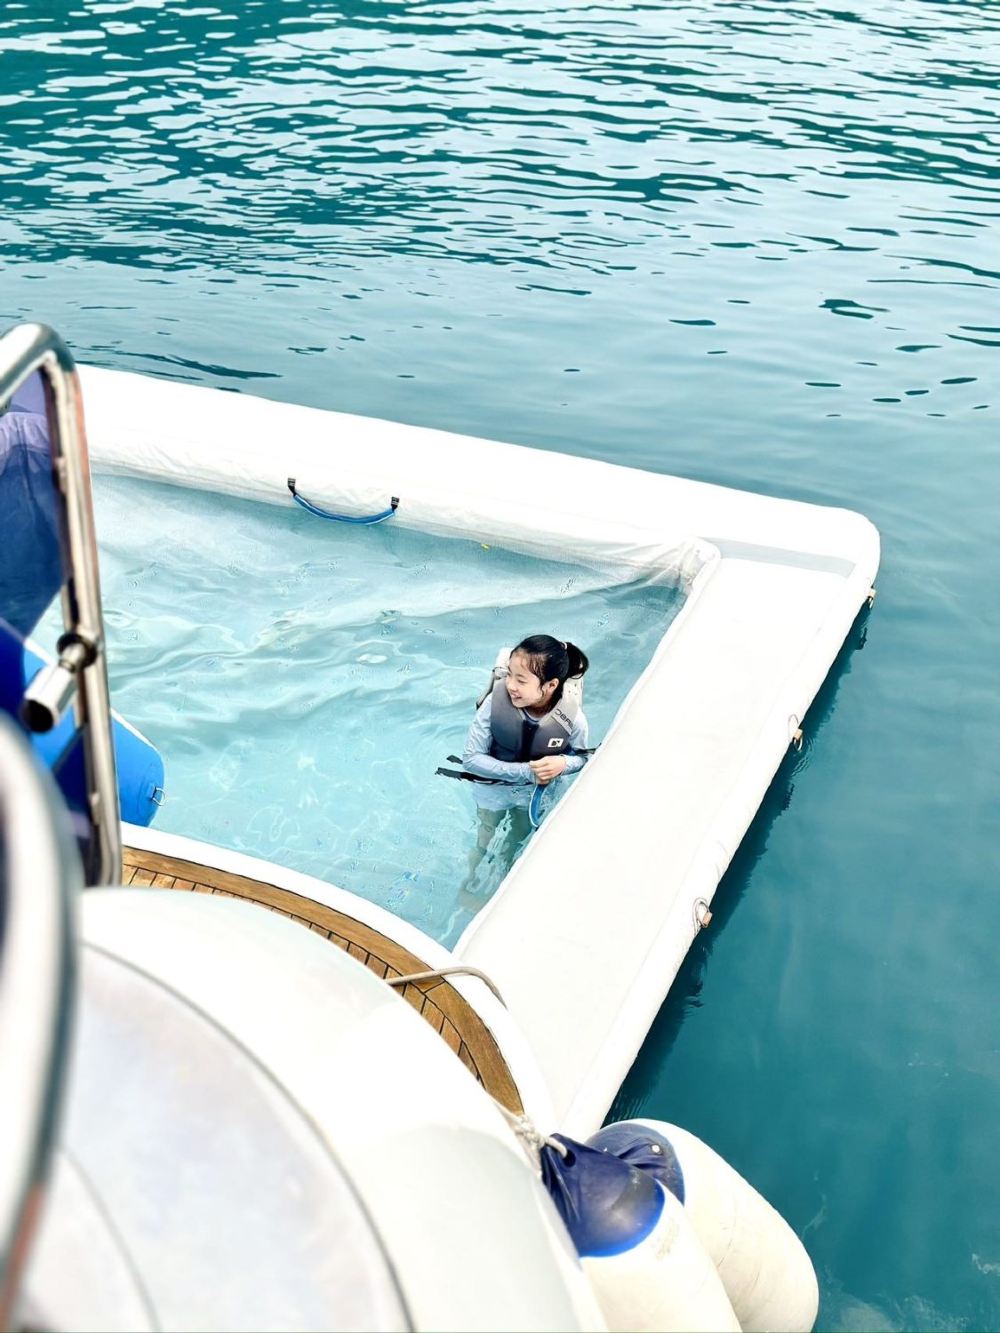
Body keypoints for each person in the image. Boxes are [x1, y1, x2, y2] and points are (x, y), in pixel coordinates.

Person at [457, 634, 591, 902]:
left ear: (550, 685)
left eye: (521, 680)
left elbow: (582, 758)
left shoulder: (573, 719)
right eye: (509, 675)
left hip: (532, 797)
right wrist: (528, 772)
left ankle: (498, 896)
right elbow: (471, 759)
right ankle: (468, 883)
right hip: (492, 788)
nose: (510, 685)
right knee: (483, 839)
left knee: (513, 844)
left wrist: (563, 763)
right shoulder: (495, 703)